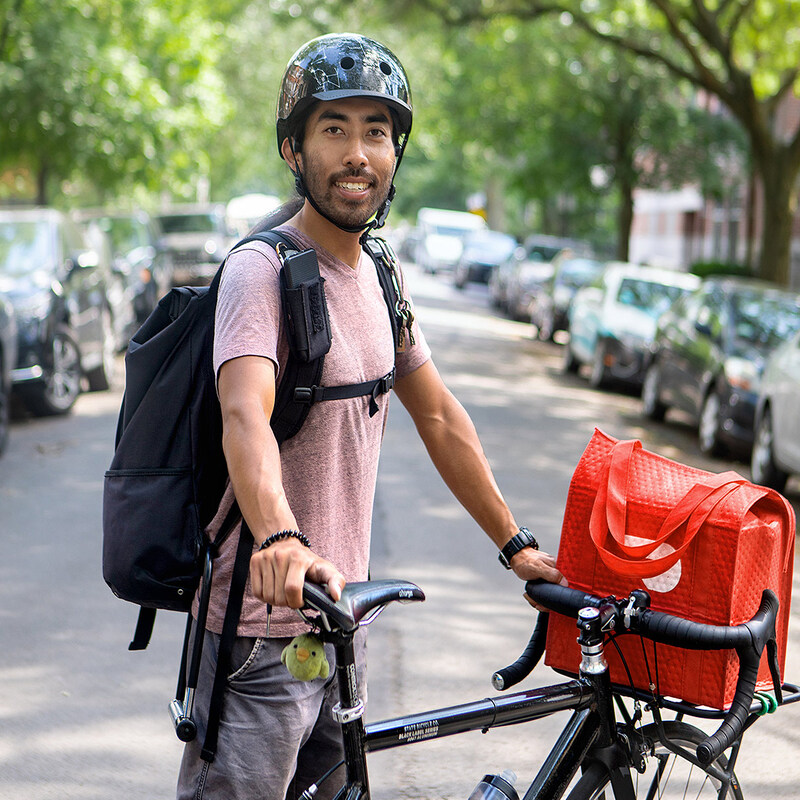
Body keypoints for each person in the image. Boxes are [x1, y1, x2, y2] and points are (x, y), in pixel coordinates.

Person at [176, 32, 563, 800]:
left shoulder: (381, 269)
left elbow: (441, 417)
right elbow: (244, 414)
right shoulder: (261, 272)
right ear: (294, 150)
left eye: (376, 132)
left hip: (342, 626)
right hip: (260, 633)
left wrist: (515, 545)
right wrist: (281, 538)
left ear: (395, 154)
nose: (359, 152)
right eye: (335, 129)